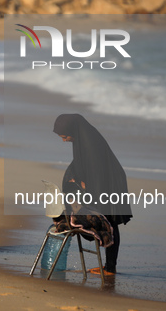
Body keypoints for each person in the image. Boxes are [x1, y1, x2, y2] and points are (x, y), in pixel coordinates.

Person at [53, 113, 132, 275]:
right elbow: (80, 165)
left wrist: (90, 193)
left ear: (72, 130)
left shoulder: (90, 142)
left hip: (109, 183)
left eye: (64, 136)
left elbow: (98, 171)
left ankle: (110, 267)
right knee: (107, 220)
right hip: (100, 182)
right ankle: (108, 266)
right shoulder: (82, 138)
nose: (64, 140)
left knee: (110, 221)